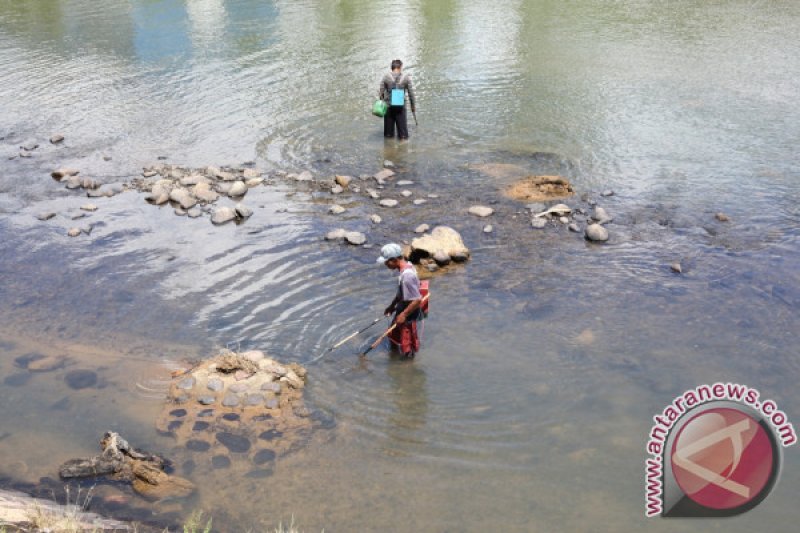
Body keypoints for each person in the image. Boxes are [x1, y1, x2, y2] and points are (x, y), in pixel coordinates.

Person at [377, 243, 422, 358]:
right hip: (402, 309)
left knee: (406, 347)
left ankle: (407, 369)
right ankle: (393, 357)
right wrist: (392, 306)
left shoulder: (407, 277)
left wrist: (403, 315)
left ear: (394, 260)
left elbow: (417, 300)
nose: (386, 265)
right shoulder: (406, 267)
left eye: (387, 262)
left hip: (408, 315)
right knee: (392, 335)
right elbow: (402, 292)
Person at [379, 59, 416, 140]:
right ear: (400, 67)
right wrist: (413, 107)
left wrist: (382, 102)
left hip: (388, 107)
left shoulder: (386, 77)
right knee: (403, 136)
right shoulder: (406, 78)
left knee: (388, 136)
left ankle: (388, 150)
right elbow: (411, 94)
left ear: (392, 67)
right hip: (401, 108)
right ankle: (402, 150)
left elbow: (381, 92)